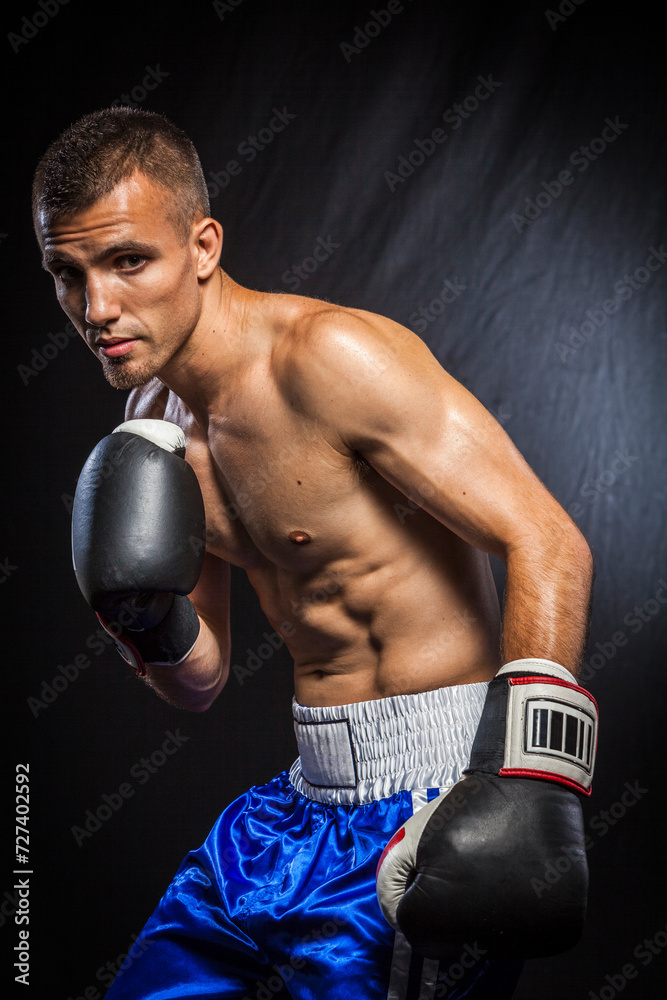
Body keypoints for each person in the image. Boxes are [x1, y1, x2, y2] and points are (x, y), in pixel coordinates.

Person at [33, 108, 596, 1000]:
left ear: (203, 245)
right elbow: (204, 677)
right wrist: (141, 620)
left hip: (431, 800)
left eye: (128, 261)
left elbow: (549, 541)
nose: (96, 308)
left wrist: (524, 783)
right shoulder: (152, 429)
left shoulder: (330, 359)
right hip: (302, 797)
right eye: (68, 274)